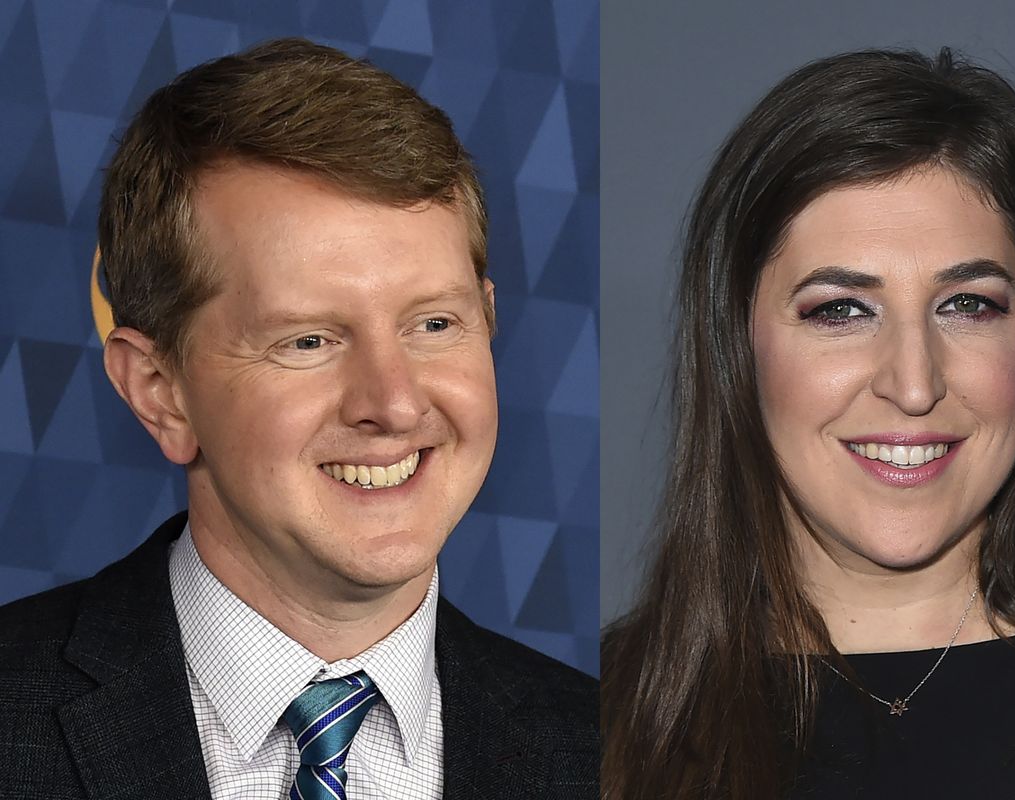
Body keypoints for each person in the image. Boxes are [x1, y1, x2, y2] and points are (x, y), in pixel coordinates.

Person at [0, 38, 596, 800]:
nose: (394, 403)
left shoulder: (599, 747)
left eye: (434, 325)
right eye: (308, 340)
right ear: (159, 390)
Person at [601, 48, 1015, 800]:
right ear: (737, 348)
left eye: (967, 304)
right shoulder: (587, 727)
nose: (914, 385)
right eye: (840, 311)